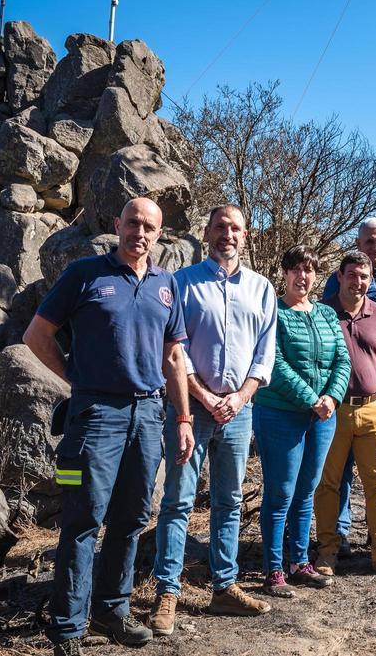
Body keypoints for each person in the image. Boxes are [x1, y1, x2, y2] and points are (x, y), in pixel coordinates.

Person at [24, 198, 195, 656]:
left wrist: (182, 417)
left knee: (131, 518)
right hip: (96, 416)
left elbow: (174, 357)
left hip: (149, 414)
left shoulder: (166, 284)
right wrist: (76, 379)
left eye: (150, 227)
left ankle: (111, 611)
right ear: (117, 224)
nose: (140, 232)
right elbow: (36, 335)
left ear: (161, 235)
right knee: (83, 520)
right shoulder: (84, 274)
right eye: (133, 222)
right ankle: (67, 629)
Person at [148, 205, 275, 635]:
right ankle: (168, 592)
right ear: (206, 233)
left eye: (236, 228)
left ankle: (224, 587)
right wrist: (202, 396)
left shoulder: (262, 289)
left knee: (229, 501)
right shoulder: (181, 283)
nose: (228, 234)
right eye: (220, 227)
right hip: (191, 410)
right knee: (179, 501)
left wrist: (239, 398)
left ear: (246, 235)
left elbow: (265, 354)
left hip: (239, 412)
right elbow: (174, 352)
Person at [252, 245, 350, 598]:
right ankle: (273, 569)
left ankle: (299, 562)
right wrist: (311, 399)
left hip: (323, 417)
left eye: (309, 270)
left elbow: (342, 359)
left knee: (306, 491)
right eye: (296, 269)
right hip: (280, 414)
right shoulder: (272, 311)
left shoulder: (326, 314)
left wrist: (331, 398)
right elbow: (273, 364)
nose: (302, 276)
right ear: (284, 273)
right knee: (280, 493)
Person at [314, 251, 376, 579]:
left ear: (370, 280)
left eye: (364, 276)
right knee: (328, 484)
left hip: (373, 409)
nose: (358, 282)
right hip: (333, 411)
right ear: (340, 276)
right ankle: (327, 551)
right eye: (352, 275)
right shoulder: (323, 311)